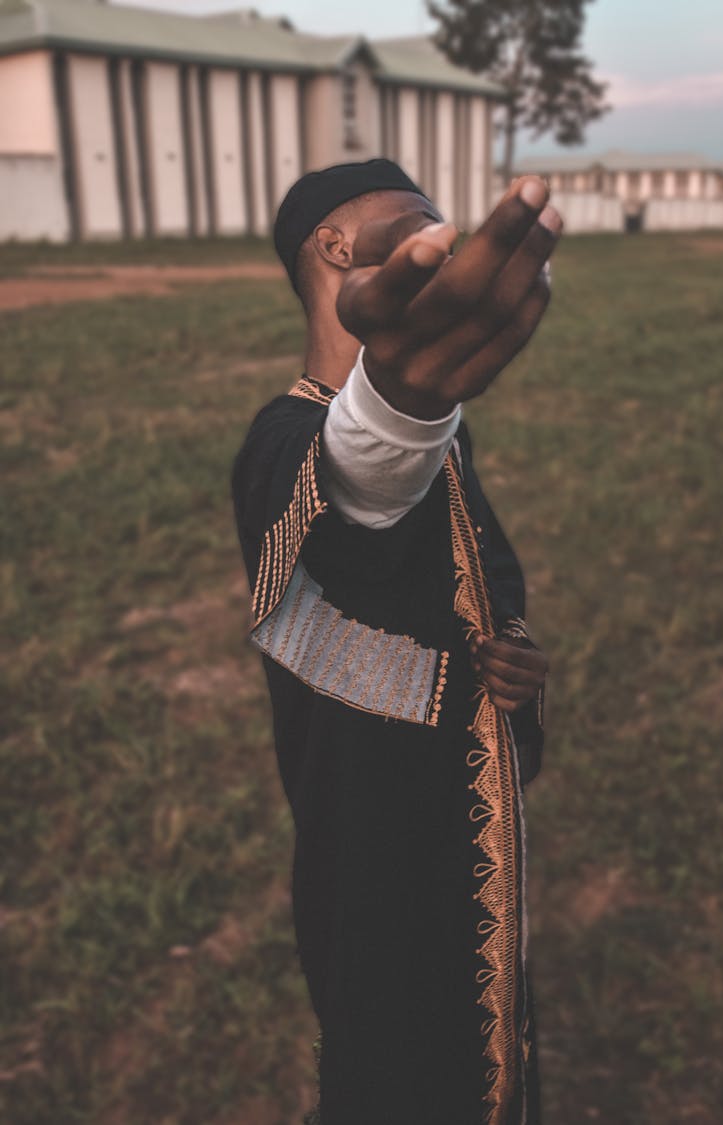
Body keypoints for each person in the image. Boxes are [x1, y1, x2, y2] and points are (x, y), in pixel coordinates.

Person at [232, 159, 561, 1125]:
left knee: (490, 1041)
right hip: (366, 844)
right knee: (395, 1063)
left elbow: (474, 585)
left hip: (463, 820)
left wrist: (514, 664)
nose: (440, 227)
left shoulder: (448, 435)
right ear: (335, 244)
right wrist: (395, 410)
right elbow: (355, 495)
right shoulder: (285, 438)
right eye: (412, 215)